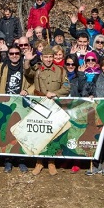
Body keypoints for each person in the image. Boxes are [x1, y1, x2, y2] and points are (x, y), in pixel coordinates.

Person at [0, 44, 33, 172]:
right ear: (8, 55)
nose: (14, 55)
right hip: (5, 105)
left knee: (20, 133)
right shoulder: (2, 67)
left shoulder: (25, 68)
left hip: (20, 105)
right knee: (5, 133)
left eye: (17, 53)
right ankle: (8, 161)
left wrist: (27, 91)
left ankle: (21, 160)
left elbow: (34, 81)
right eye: (11, 53)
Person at [26, 48, 69, 176]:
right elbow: (27, 71)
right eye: (46, 57)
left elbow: (67, 87)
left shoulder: (61, 71)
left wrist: (55, 93)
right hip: (39, 107)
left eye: (51, 56)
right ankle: (39, 162)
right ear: (41, 58)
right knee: (40, 133)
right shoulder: (37, 70)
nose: (49, 59)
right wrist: (27, 60)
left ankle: (51, 161)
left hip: (54, 106)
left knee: (53, 134)